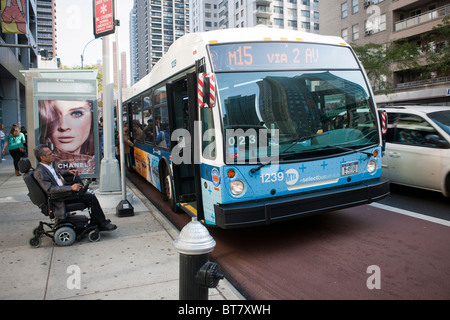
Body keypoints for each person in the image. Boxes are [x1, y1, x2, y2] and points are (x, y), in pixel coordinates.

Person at [33, 144, 117, 231]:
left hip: (62, 194)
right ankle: (101, 223)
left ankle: (96, 221)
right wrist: (71, 188)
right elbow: (49, 189)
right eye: (50, 154)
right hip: (59, 199)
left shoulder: (46, 166)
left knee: (85, 192)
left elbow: (55, 175)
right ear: (42, 157)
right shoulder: (40, 171)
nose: (53, 155)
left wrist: (68, 171)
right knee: (90, 197)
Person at [39, 100, 95, 174]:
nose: (63, 126)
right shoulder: (44, 170)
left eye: (77, 113)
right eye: (53, 115)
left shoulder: (94, 165)